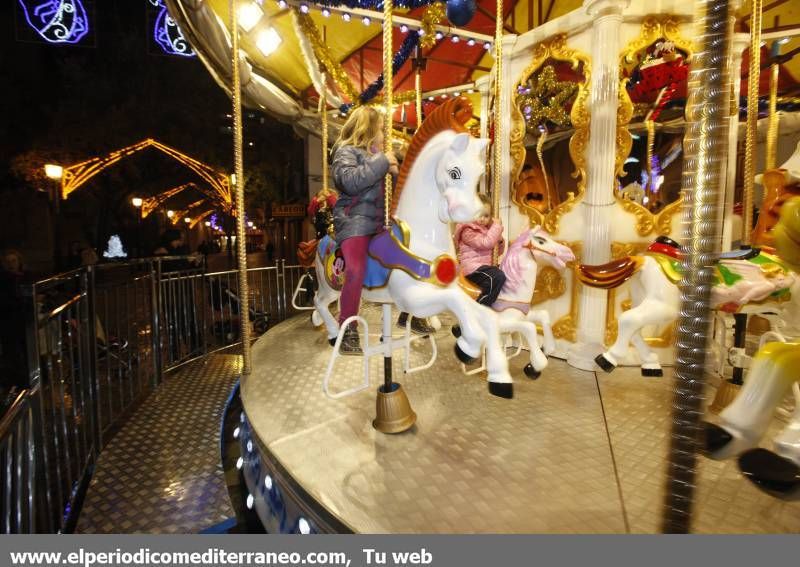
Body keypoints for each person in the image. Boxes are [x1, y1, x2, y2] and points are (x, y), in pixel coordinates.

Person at [454, 194, 507, 306]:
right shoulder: (467, 231)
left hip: (482, 268)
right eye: (479, 215)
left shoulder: (486, 230)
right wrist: (496, 226)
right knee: (498, 276)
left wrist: (500, 241)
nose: (482, 219)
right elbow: (486, 243)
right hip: (472, 268)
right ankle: (480, 307)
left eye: (486, 216)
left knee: (504, 274)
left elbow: (498, 253)